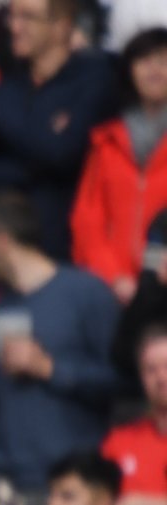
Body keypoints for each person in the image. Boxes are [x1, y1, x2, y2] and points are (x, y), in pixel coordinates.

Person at [0, 192, 121, 505]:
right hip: (8, 482)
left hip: (69, 485)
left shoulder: (86, 293)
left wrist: (49, 368)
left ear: (2, 241)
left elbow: (122, 383)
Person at [0, 0, 117, 260]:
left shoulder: (94, 79)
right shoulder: (3, 91)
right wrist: (40, 169)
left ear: (61, 27)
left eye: (27, 18)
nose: (14, 27)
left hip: (60, 252)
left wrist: (1, 129)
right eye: (12, 16)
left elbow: (63, 154)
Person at [71, 28, 167, 302]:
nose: (154, 69)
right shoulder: (106, 141)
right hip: (111, 290)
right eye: (144, 60)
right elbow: (87, 220)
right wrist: (113, 277)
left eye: (163, 60)